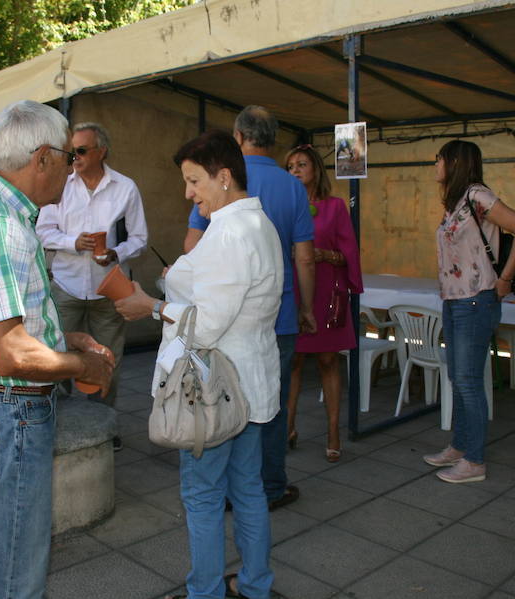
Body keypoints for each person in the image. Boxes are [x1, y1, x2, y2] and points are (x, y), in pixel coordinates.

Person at [0, 100, 114, 599]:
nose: (72, 170)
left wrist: (63, 337)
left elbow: (8, 322)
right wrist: (84, 363)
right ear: (44, 159)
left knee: (9, 553)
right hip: (9, 412)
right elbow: (9, 354)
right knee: (15, 571)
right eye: (69, 159)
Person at [116, 130, 283, 599]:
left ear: (224, 176)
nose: (188, 193)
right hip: (250, 383)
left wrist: (151, 306)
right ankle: (254, 585)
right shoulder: (257, 224)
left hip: (216, 389)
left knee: (205, 496)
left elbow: (205, 326)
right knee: (248, 489)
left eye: (194, 181)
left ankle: (206, 592)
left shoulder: (231, 232)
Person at [183, 105, 316, 511]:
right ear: (272, 138)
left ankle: (228, 489)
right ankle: (270, 486)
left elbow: (192, 246)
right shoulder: (292, 185)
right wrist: (306, 307)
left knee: (222, 402)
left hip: (224, 321)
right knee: (269, 404)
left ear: (238, 136)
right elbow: (304, 256)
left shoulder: (220, 175)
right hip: (281, 311)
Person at [422, 140, 515, 483]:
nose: (436, 165)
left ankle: (475, 460)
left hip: (476, 300)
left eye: (439, 159)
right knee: (458, 377)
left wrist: (505, 279)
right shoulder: (456, 202)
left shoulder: (477, 196)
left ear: (454, 162)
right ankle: (460, 446)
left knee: (469, 382)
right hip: (455, 300)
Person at [36, 122, 148, 450]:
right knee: (57, 356)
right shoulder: (61, 184)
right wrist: (74, 242)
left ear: (102, 151)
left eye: (81, 151)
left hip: (106, 287)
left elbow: (140, 239)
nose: (75, 158)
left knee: (107, 359)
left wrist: (117, 251)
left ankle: (102, 428)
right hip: (67, 285)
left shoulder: (125, 188)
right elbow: (43, 231)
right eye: (72, 152)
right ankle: (59, 426)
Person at [284, 144, 362, 463]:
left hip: (327, 289)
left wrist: (323, 255)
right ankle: (286, 427)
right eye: (290, 166)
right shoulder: (283, 207)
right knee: (294, 362)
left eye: (302, 164)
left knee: (329, 361)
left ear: (316, 169)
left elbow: (349, 254)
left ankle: (333, 430)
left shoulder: (335, 207)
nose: (295, 170)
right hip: (294, 290)